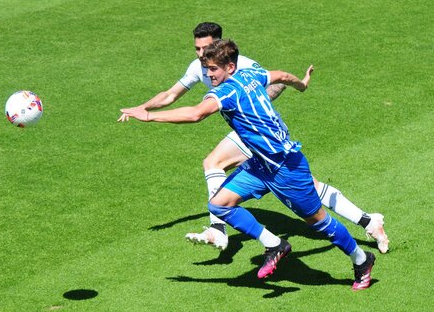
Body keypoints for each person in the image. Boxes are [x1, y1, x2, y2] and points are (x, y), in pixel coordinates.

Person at [119, 39, 376, 291]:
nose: (209, 75)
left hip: (287, 168)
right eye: (207, 69)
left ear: (230, 67)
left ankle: (362, 260)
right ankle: (275, 244)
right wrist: (303, 85)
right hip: (260, 165)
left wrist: (150, 115)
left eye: (213, 69)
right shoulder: (252, 74)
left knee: (319, 222)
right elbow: (284, 75)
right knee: (218, 204)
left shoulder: (227, 91)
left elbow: (196, 114)